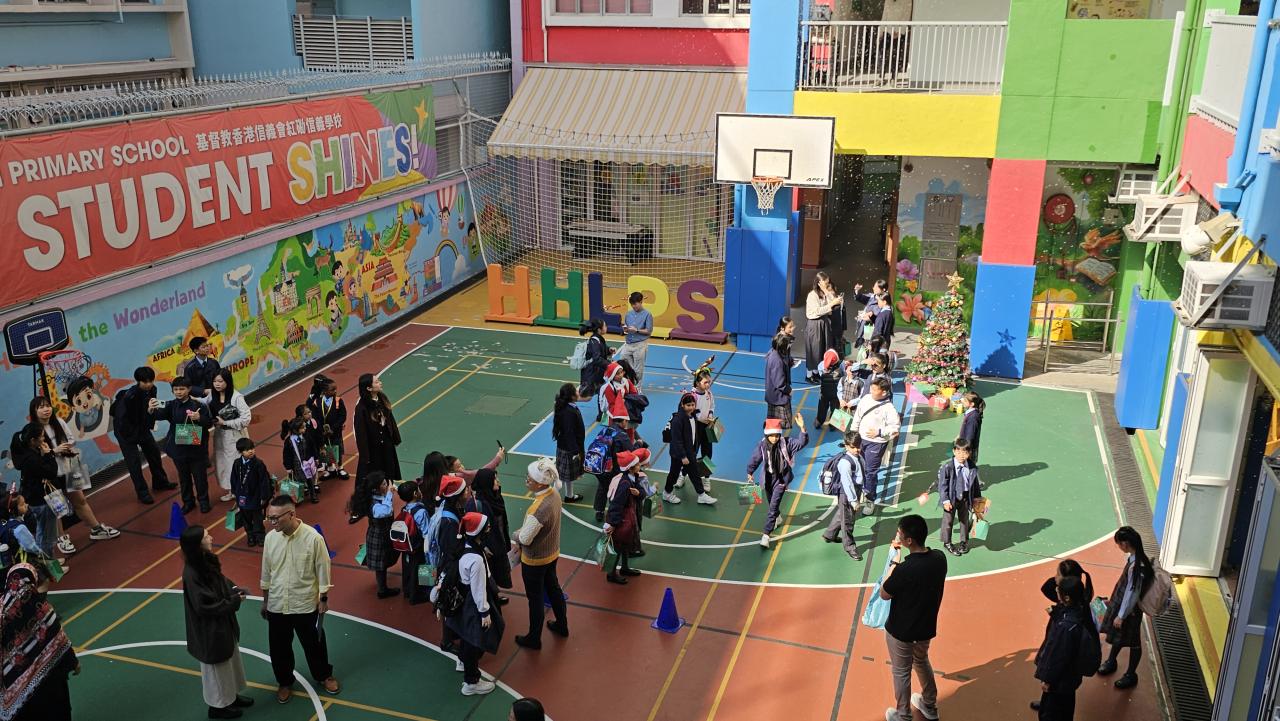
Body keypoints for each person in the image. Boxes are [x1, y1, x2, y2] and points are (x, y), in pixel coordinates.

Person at [259, 495, 340, 704]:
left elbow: (323, 570)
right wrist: (266, 601)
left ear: (291, 514)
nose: (272, 522)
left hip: (305, 603)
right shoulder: (270, 539)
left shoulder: (313, 539)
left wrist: (323, 599)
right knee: (279, 648)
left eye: (275, 518)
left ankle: (324, 675)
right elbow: (266, 572)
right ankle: (284, 681)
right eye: (269, 518)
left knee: (314, 644)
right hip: (277, 603)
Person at [180, 525, 254, 719]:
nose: (211, 538)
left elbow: (221, 581)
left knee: (230, 662)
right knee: (217, 670)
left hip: (222, 624)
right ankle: (218, 707)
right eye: (206, 536)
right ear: (198, 544)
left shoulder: (204, 562)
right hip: (210, 630)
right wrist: (234, 601)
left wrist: (234, 589)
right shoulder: (192, 573)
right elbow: (204, 607)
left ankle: (230, 697)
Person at [31, 394, 120, 551]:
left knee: (80, 500)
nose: (46, 410)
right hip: (50, 475)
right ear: (34, 411)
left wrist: (65, 446)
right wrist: (54, 451)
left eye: (47, 406)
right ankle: (62, 539)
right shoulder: (33, 431)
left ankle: (96, 528)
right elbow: (34, 456)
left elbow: (72, 439)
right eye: (41, 407)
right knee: (58, 509)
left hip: (70, 467)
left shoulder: (59, 422)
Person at [879, 513, 947, 721]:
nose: (897, 535)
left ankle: (903, 715)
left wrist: (894, 563)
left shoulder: (905, 570)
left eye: (900, 533)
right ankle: (929, 705)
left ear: (909, 541)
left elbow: (884, 593)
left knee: (901, 672)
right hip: (925, 627)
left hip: (901, 631)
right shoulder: (939, 558)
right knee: (921, 660)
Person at [2, 562, 79, 721]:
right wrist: (73, 663)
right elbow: (58, 639)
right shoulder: (40, 609)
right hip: (51, 684)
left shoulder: (5, 610)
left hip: (16, 696)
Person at [442, 512, 505, 696]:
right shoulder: (476, 559)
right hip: (474, 602)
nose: (489, 529)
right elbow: (478, 588)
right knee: (475, 640)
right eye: (487, 527)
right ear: (479, 532)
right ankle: (471, 682)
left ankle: (463, 660)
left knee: (466, 635)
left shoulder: (465, 546)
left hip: (464, 599)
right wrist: (484, 612)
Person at [512, 458, 569, 650]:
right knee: (554, 588)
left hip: (535, 560)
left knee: (535, 598)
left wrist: (515, 534)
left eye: (529, 478)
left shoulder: (538, 509)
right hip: (552, 553)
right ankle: (562, 625)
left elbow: (525, 538)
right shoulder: (554, 494)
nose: (526, 479)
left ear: (539, 483)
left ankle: (534, 638)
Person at [151, 376, 216, 514]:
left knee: (200, 478)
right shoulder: (170, 405)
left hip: (196, 449)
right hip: (178, 450)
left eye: (182, 389)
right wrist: (151, 410)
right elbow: (158, 415)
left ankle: (204, 502)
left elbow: (209, 423)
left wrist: (199, 418)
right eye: (176, 389)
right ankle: (188, 502)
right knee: (184, 478)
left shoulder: (198, 405)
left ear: (189, 389)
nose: (179, 392)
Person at [111, 366, 175, 504]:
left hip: (142, 427)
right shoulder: (130, 396)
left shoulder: (152, 390)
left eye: (151, 381)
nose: (149, 384)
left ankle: (160, 482)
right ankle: (142, 492)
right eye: (145, 382)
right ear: (138, 381)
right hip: (125, 431)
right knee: (134, 463)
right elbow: (121, 420)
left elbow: (149, 411)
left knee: (154, 454)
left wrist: (150, 420)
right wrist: (131, 436)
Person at [1098, 526, 1152, 690]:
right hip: (1125, 607)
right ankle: (1111, 660)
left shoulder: (1136, 566)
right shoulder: (1137, 559)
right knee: (1119, 635)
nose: (1119, 547)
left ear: (1125, 544)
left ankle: (1130, 674)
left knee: (1134, 641)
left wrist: (1121, 615)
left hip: (1130, 611)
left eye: (1119, 544)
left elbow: (1132, 592)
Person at [1035, 575, 1096, 721]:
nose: (1056, 591)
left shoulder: (1065, 627)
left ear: (1067, 598)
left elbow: (1058, 657)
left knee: (1050, 713)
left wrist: (1048, 680)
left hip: (1059, 682)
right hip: (1070, 678)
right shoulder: (1080, 612)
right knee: (1066, 709)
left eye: (1058, 591)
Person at [746, 414, 810, 549]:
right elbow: (755, 458)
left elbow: (801, 443)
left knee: (772, 507)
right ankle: (778, 517)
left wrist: (802, 428)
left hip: (781, 480)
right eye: (772, 436)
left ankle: (766, 534)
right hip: (768, 479)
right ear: (767, 435)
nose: (775, 438)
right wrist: (750, 472)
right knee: (771, 503)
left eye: (777, 435)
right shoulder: (762, 445)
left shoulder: (786, 443)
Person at [11, 423, 61, 559]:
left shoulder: (28, 454)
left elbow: (41, 471)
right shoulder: (31, 459)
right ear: (33, 440)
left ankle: (47, 560)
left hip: (36, 498)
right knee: (46, 535)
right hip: (41, 500)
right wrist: (49, 455)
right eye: (42, 436)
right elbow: (51, 472)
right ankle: (48, 563)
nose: (44, 439)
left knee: (43, 531)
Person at [853, 377, 900, 513]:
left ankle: (870, 500)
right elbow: (857, 416)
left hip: (876, 444)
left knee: (870, 472)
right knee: (857, 468)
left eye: (875, 389)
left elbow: (895, 428)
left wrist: (880, 432)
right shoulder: (866, 399)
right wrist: (853, 434)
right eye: (871, 388)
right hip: (860, 440)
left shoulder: (889, 408)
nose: (871, 391)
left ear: (884, 392)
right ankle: (856, 494)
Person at [351, 471, 399, 599]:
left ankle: (382, 587)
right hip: (379, 535)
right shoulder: (374, 504)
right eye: (384, 484)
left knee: (383, 560)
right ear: (376, 489)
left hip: (383, 533)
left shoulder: (379, 495)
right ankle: (382, 590)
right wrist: (389, 494)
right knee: (381, 563)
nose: (387, 485)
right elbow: (386, 511)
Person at [604, 449, 650, 584]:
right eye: (637, 464)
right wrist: (613, 524)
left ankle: (624, 568)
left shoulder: (633, 477)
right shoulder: (624, 484)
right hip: (622, 520)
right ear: (630, 468)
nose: (639, 466)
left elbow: (642, 493)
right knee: (618, 547)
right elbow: (616, 505)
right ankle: (611, 574)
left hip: (629, 518)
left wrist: (638, 493)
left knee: (625, 545)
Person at [207, 369, 252, 504]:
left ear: (227, 381)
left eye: (220, 381)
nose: (217, 384)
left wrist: (226, 423)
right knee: (223, 463)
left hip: (235, 435)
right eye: (215, 381)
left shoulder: (236, 397)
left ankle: (244, 491)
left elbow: (246, 419)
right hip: (220, 435)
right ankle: (232, 491)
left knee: (236, 463)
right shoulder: (212, 396)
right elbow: (204, 403)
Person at [663, 393, 715, 506]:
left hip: (689, 452)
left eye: (693, 405)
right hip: (678, 454)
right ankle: (667, 493)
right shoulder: (678, 420)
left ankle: (701, 495)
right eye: (688, 405)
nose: (691, 407)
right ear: (682, 405)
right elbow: (677, 440)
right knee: (674, 474)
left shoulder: (693, 416)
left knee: (694, 473)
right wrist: (683, 456)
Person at [467, 468, 513, 593]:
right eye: (494, 479)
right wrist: (483, 546)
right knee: (487, 575)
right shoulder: (477, 505)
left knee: (496, 573)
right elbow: (472, 531)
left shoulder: (496, 497)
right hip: (487, 549)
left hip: (498, 543)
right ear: (486, 482)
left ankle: (494, 594)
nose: (498, 481)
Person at [823, 431, 865, 560]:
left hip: (854, 490)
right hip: (848, 494)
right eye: (853, 447)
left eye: (858, 446)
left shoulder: (857, 456)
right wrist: (853, 500)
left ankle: (829, 534)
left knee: (842, 514)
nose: (857, 449)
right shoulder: (845, 463)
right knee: (848, 521)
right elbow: (847, 484)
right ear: (846, 446)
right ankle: (850, 547)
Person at [353, 373, 402, 482]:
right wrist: (365, 455)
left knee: (389, 469)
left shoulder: (382, 399)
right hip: (373, 447)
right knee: (375, 474)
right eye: (376, 382)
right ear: (369, 388)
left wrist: (395, 437)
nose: (380, 383)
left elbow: (390, 420)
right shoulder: (362, 407)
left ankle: (389, 485)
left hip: (386, 443)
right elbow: (361, 432)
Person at [938, 437, 982, 556]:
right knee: (948, 521)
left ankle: (964, 541)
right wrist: (945, 500)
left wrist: (978, 500)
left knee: (964, 520)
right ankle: (947, 542)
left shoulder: (971, 467)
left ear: (969, 453)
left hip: (965, 498)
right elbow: (942, 485)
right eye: (959, 452)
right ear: (954, 451)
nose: (962, 455)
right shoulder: (947, 467)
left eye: (965, 452)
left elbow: (975, 484)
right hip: (951, 498)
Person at [230, 438, 273, 547]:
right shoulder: (237, 463)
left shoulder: (258, 464)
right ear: (240, 452)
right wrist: (235, 492)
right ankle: (250, 535)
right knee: (246, 518)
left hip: (255, 497)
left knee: (257, 518)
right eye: (247, 450)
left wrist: (264, 496)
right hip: (242, 497)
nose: (251, 451)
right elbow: (234, 479)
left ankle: (260, 536)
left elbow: (264, 481)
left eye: (252, 448)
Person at [306, 375, 350, 480]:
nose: (335, 391)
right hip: (323, 432)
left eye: (335, 389)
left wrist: (333, 428)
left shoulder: (338, 401)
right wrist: (321, 429)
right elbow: (315, 416)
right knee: (325, 448)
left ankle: (340, 467)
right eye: (332, 390)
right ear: (324, 391)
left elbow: (342, 416)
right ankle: (330, 468)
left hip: (335, 431)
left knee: (337, 447)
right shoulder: (317, 402)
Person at [804, 272, 844, 381]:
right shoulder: (812, 295)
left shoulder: (824, 293)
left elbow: (835, 303)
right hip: (815, 324)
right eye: (825, 283)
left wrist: (826, 291)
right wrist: (831, 304)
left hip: (824, 323)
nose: (826, 285)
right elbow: (817, 311)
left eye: (827, 283)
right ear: (819, 283)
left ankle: (816, 372)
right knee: (814, 350)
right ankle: (809, 375)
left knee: (822, 349)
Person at [395, 482, 430, 604]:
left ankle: (408, 590)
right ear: (415, 493)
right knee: (425, 566)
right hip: (419, 546)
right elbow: (426, 532)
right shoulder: (421, 511)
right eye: (419, 489)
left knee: (408, 567)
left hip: (407, 546)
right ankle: (421, 593)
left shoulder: (404, 509)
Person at [551, 384, 586, 504]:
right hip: (569, 448)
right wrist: (575, 451)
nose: (578, 392)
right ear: (571, 396)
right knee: (561, 476)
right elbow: (569, 432)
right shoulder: (568, 412)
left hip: (567, 446)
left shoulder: (567, 407)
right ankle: (550, 498)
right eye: (576, 391)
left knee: (567, 476)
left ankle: (569, 496)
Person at [615, 291, 653, 383]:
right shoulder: (628, 314)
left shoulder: (647, 314)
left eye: (635, 304)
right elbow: (626, 328)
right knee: (623, 363)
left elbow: (649, 331)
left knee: (638, 368)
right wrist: (625, 329)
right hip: (628, 344)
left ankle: (637, 387)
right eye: (632, 304)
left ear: (641, 302)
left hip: (640, 344)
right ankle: (629, 383)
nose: (633, 306)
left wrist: (637, 330)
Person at [280, 418, 319, 504]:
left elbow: (313, 447)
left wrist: (316, 458)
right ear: (296, 430)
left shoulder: (306, 436)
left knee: (310, 480)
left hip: (307, 463)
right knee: (297, 481)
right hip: (296, 465)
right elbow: (286, 455)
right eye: (303, 427)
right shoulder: (289, 441)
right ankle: (298, 497)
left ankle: (313, 495)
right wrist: (288, 467)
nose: (305, 428)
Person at [764, 333, 795, 430]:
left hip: (773, 395)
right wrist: (788, 390)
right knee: (779, 423)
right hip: (778, 397)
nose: (789, 346)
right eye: (788, 345)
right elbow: (779, 382)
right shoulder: (777, 360)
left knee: (774, 422)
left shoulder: (774, 352)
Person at [577, 318, 611, 397]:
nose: (606, 327)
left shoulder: (598, 339)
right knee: (585, 398)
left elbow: (601, 350)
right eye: (605, 326)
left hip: (597, 375)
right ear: (599, 329)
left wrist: (609, 350)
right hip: (590, 377)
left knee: (600, 396)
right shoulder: (594, 341)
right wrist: (610, 365)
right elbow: (597, 359)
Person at [690, 362, 717, 459]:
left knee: (707, 450)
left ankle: (706, 467)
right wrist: (699, 418)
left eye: (709, 382)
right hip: (696, 426)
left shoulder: (709, 394)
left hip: (707, 425)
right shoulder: (693, 396)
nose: (708, 384)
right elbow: (690, 413)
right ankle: (689, 466)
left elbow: (712, 405)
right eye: (705, 382)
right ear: (697, 383)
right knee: (694, 448)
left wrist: (710, 414)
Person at [851, 280, 888, 348]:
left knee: (868, 347)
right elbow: (860, 297)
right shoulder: (872, 296)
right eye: (874, 286)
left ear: (883, 289)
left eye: (876, 287)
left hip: (873, 330)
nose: (873, 288)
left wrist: (870, 317)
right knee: (864, 347)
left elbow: (880, 317)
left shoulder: (884, 301)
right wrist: (856, 290)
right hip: (866, 327)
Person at [815, 349, 843, 427]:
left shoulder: (821, 365)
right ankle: (833, 425)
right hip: (836, 393)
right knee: (835, 408)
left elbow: (821, 376)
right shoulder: (841, 365)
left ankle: (819, 422)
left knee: (822, 407)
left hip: (824, 391)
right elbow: (844, 376)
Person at [958, 391, 985, 463]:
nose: (962, 401)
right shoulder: (970, 414)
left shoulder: (973, 417)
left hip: (967, 448)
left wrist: (965, 452)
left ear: (972, 404)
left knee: (967, 466)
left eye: (965, 400)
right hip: (965, 445)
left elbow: (970, 436)